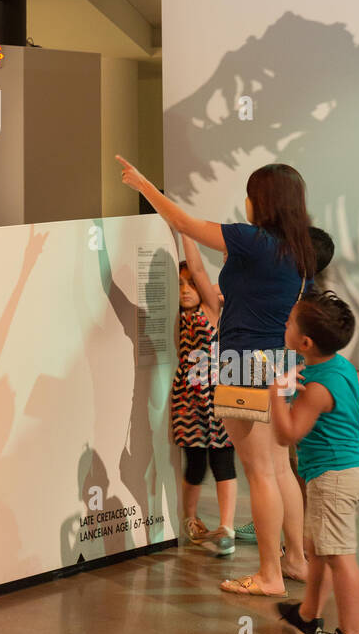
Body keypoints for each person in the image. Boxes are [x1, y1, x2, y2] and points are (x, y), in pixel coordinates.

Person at [115, 156, 314, 597]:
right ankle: (295, 560)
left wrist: (143, 183)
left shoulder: (251, 240)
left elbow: (183, 221)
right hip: (280, 364)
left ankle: (269, 575)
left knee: (259, 472)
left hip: (242, 363)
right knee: (279, 470)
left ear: (261, 200)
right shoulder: (298, 250)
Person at [270, 291, 359, 634]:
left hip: (332, 479)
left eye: (289, 322)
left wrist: (277, 395)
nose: (285, 324)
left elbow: (286, 435)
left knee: (339, 558)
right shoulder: (342, 366)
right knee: (320, 550)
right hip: (350, 471)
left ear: (305, 342)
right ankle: (308, 616)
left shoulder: (313, 388)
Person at [235, 225, 335, 543]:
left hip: (264, 365)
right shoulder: (302, 288)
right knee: (280, 464)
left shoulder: (293, 288)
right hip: (282, 368)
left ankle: (278, 559)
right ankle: (293, 550)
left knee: (268, 467)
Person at [169, 234, 236, 555]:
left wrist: (185, 230)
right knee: (195, 463)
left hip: (217, 396)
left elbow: (199, 270)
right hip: (188, 400)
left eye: (190, 284)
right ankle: (191, 520)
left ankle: (226, 526)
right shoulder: (176, 318)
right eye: (179, 285)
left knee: (223, 461)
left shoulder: (209, 311)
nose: (184, 290)